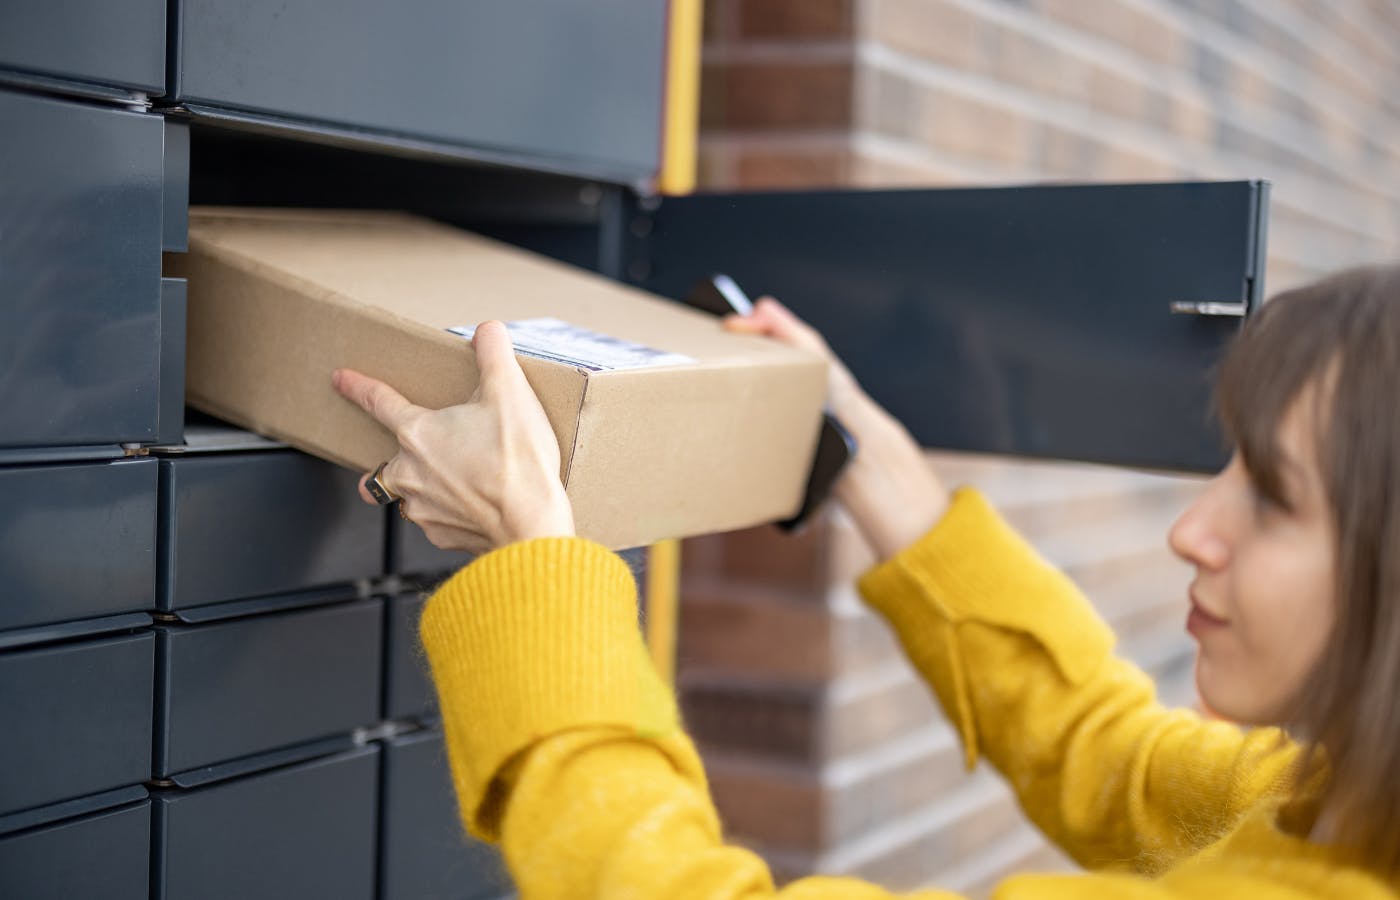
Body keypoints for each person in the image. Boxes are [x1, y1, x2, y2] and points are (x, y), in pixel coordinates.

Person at [331, 264, 1400, 898]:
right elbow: (1110, 759)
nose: (1190, 530)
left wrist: (535, 568)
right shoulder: (1337, 807)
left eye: (1272, 498)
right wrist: (885, 478)